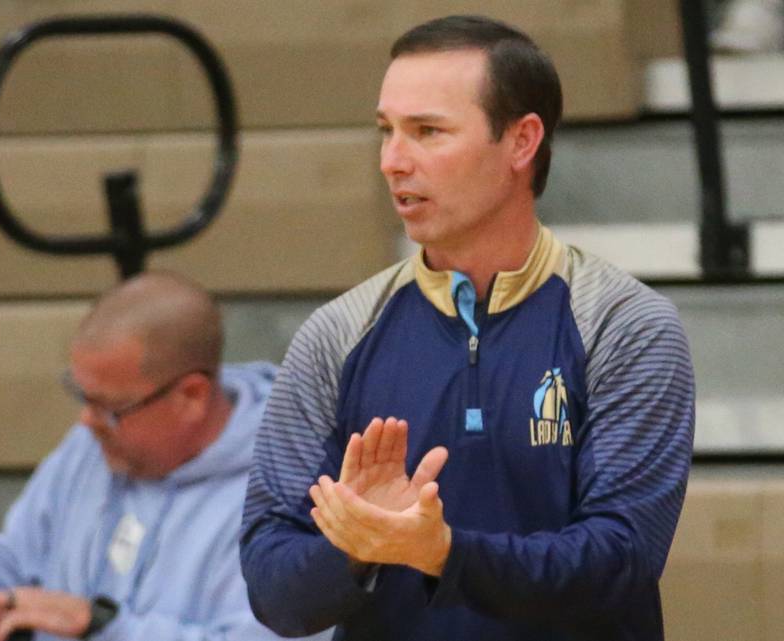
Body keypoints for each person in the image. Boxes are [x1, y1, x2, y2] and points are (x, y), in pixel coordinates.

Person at [240, 14, 695, 641]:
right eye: (386, 132)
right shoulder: (336, 333)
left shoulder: (624, 325)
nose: (393, 161)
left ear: (521, 142)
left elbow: (620, 563)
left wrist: (442, 552)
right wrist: (358, 545)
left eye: (427, 131)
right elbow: (272, 590)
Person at [0, 271, 329, 641]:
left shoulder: (295, 490)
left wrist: (101, 626)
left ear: (191, 396)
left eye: (110, 407)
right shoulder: (94, 442)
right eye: (84, 397)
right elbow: (15, 557)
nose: (87, 420)